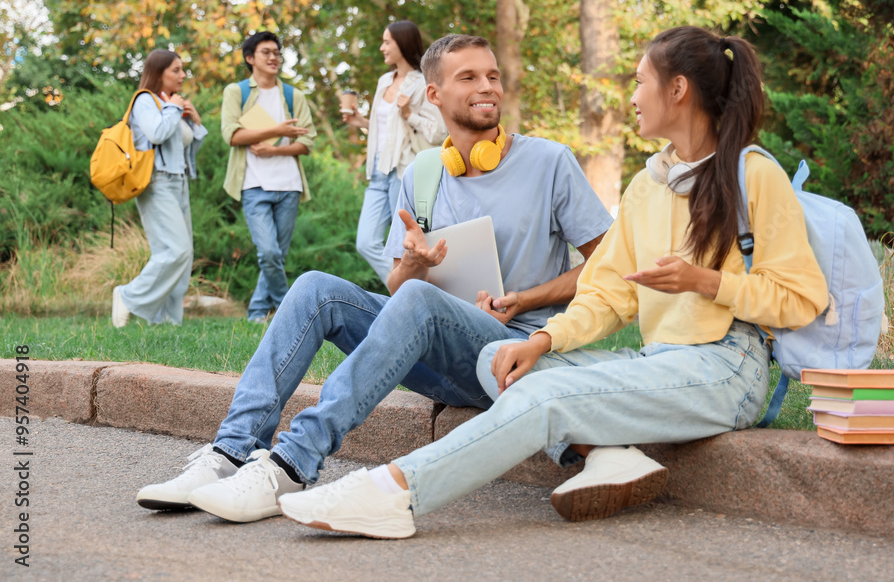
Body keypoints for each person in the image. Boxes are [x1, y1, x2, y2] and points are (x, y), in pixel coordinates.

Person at [276, 26, 831, 539]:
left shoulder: (752, 174)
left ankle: (394, 492)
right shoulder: (647, 185)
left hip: (728, 366)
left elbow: (803, 298)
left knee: (543, 395)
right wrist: (541, 340)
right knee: (499, 357)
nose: (632, 97)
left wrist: (708, 282)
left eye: (640, 83)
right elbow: (609, 293)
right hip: (660, 360)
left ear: (678, 89)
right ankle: (610, 455)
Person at [135, 34, 613, 523]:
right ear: (434, 94)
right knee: (315, 288)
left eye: (492, 75)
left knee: (421, 301)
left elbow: (608, 265)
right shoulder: (425, 173)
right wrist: (414, 263)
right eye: (468, 77)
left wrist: (526, 298)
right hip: (437, 353)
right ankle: (230, 453)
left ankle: (292, 464)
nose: (486, 86)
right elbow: (399, 293)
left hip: (511, 353)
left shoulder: (549, 161)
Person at [219, 31, 316, 323]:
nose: (274, 57)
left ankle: (258, 313)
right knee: (270, 253)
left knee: (275, 257)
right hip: (253, 184)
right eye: (266, 52)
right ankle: (289, 312)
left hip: (288, 186)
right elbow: (232, 135)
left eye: (277, 52)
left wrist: (275, 151)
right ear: (250, 59)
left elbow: (307, 142)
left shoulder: (292, 95)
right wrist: (278, 131)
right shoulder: (237, 92)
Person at [344, 20, 447, 286]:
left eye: (387, 42)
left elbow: (438, 132)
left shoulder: (423, 83)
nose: (382, 47)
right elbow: (388, 130)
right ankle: (404, 290)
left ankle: (413, 293)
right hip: (379, 171)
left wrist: (409, 114)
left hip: (402, 171)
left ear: (403, 44)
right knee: (365, 242)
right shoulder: (383, 82)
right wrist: (361, 122)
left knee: (404, 248)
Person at [111, 50, 207, 328]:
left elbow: (186, 146)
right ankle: (128, 296)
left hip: (179, 182)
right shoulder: (145, 100)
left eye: (182, 69)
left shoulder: (169, 103)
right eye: (175, 70)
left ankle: (167, 321)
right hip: (156, 183)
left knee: (183, 253)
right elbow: (156, 134)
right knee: (174, 251)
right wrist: (174, 109)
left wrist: (195, 122)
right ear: (159, 72)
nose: (182, 75)